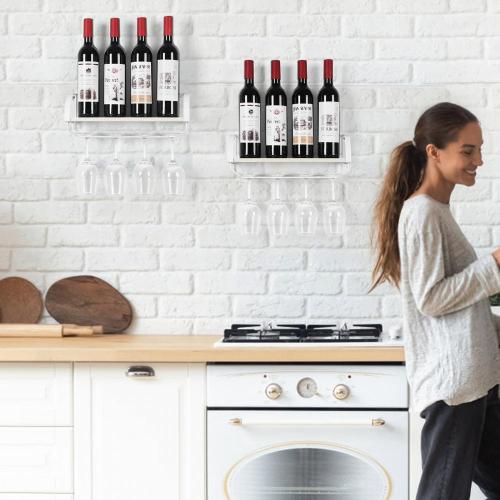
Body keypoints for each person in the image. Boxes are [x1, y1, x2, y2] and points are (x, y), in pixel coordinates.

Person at [371, 102, 500, 499]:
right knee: (443, 492)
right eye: (467, 151)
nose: (478, 160)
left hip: (476, 379)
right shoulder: (422, 212)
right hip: (454, 383)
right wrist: (493, 264)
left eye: (479, 150)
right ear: (434, 152)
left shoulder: (438, 211)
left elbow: (460, 300)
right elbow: (431, 298)